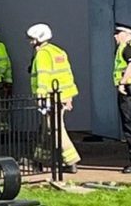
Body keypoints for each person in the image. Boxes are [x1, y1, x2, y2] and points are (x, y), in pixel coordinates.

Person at [26, 23, 81, 173]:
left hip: (50, 97)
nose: (30, 42)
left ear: (39, 39)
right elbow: (67, 75)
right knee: (46, 129)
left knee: (55, 128)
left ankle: (71, 161)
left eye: (32, 39)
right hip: (62, 96)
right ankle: (39, 160)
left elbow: (43, 77)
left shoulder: (42, 54)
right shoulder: (59, 51)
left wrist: (40, 97)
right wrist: (69, 97)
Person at [113, 23, 131, 174]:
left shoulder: (127, 47)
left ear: (125, 34)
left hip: (130, 90)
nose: (115, 36)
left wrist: (122, 83)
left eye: (117, 33)